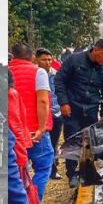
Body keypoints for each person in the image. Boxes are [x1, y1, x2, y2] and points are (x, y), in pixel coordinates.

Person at [55, 39, 103, 186]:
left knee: (90, 142)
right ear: (94, 50)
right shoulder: (74, 60)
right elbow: (59, 80)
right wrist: (63, 102)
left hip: (91, 110)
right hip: (72, 108)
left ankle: (87, 172)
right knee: (73, 140)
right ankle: (72, 174)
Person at [8, 43, 53, 202]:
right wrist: (41, 128)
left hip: (13, 134)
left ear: (13, 56)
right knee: (43, 167)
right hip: (35, 132)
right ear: (32, 57)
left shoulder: (5, 73)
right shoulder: (38, 72)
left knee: (18, 172)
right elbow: (42, 101)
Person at [35, 48, 63, 180]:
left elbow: (60, 92)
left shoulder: (56, 75)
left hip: (55, 114)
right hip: (40, 115)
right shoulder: (34, 75)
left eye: (49, 60)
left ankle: (52, 169)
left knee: (53, 143)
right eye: (44, 60)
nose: (47, 62)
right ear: (36, 60)